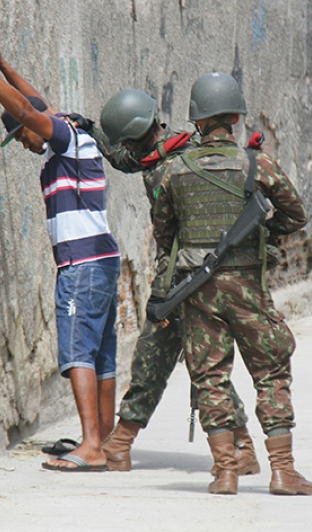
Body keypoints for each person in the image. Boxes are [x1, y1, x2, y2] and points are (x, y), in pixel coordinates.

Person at [152, 72, 312, 495]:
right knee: (270, 371)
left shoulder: (173, 170)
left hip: (198, 290)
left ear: (198, 121)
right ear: (234, 118)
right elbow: (296, 215)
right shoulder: (257, 164)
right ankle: (283, 472)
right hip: (248, 287)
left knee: (210, 376)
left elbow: (165, 237)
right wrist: (263, 236)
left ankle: (226, 471)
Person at [75, 89, 259, 475]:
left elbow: (168, 232)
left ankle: (125, 444)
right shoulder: (167, 148)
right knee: (191, 363)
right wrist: (91, 129)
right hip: (191, 274)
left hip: (187, 278)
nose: (126, 149)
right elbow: (125, 159)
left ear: (136, 135)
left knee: (166, 360)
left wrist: (165, 286)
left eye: (127, 140)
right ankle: (240, 447)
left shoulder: (172, 165)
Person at [0, 23, 120, 471]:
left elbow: (27, 110)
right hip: (103, 260)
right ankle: (107, 442)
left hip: (81, 265)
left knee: (77, 351)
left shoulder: (64, 141)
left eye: (22, 136)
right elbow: (36, 103)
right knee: (102, 352)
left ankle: (91, 446)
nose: (24, 143)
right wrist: (5, 66)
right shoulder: (74, 135)